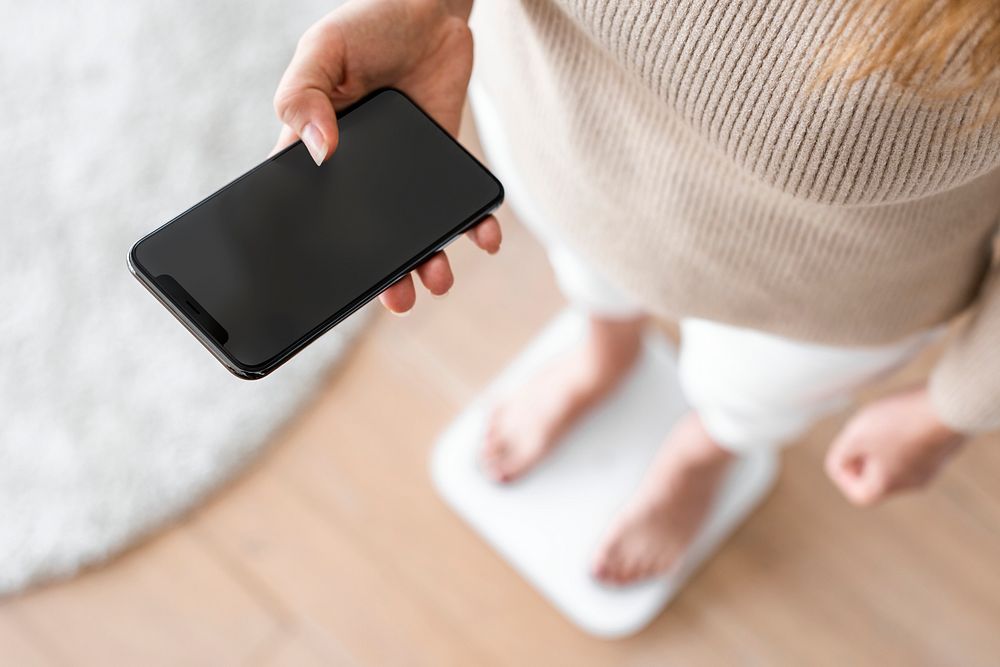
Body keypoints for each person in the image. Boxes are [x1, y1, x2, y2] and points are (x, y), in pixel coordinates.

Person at [272, 0, 1000, 586]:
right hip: (561, 146)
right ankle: (603, 352)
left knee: (745, 395)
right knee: (587, 274)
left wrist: (957, 405)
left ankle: (701, 454)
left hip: (827, 294)